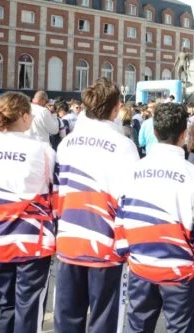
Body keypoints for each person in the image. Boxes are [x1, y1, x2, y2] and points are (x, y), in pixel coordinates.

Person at [54, 79, 140, 333]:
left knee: (67, 319)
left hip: (69, 239)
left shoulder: (67, 143)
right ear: (116, 108)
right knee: (104, 320)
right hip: (105, 243)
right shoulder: (124, 147)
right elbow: (130, 200)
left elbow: (57, 191)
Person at [115, 103, 194, 333]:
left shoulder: (132, 171)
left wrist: (126, 253)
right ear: (184, 134)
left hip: (141, 265)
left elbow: (121, 217)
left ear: (154, 132)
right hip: (180, 270)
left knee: (137, 327)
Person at [0, 92, 56, 333]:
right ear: (23, 116)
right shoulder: (42, 150)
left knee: (4, 304)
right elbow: (52, 187)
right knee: (29, 307)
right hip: (32, 240)